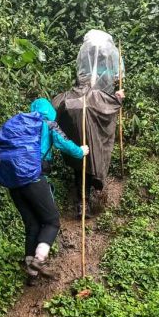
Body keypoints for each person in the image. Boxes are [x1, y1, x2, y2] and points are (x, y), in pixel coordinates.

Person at [8, 98, 88, 284]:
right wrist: (81, 151)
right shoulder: (48, 124)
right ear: (50, 110)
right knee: (52, 222)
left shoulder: (21, 125)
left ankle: (32, 275)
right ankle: (39, 260)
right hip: (34, 179)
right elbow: (65, 144)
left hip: (14, 182)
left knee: (33, 225)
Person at [52, 29, 125, 218]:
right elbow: (113, 81)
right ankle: (85, 199)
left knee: (82, 156)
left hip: (84, 104)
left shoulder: (90, 56)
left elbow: (84, 79)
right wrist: (116, 99)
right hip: (95, 105)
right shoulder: (108, 57)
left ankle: (83, 200)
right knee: (93, 150)